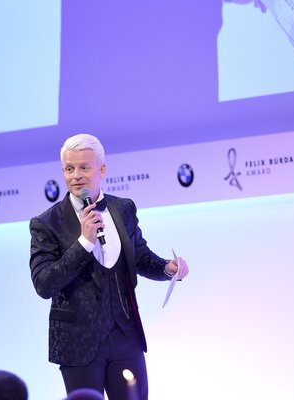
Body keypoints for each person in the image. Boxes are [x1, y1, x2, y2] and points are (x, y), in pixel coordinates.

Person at [29, 133, 189, 400]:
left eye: (84, 167)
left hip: (125, 335)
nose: (76, 176)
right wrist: (84, 243)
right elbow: (44, 284)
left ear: (102, 169)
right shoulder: (46, 223)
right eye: (69, 169)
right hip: (78, 343)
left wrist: (166, 268)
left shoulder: (123, 208)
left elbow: (139, 257)